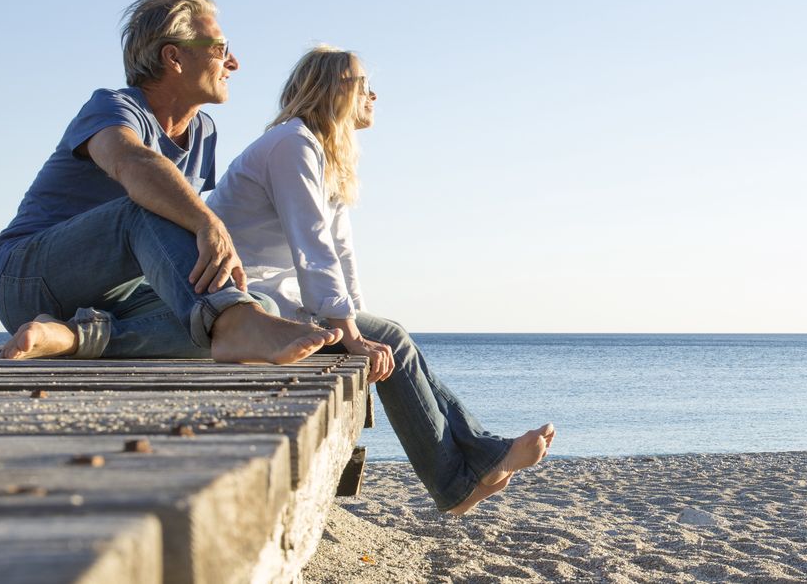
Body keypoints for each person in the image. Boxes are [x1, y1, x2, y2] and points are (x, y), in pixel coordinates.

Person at [206, 45, 554, 514]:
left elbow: (342, 254)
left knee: (387, 335)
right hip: (246, 302)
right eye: (362, 84)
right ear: (333, 90)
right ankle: (458, 482)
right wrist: (353, 334)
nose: (373, 94)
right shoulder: (293, 145)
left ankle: (480, 459)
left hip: (279, 297)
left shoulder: (322, 152)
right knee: (388, 336)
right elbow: (314, 247)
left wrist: (359, 328)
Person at [0, 0, 340, 363]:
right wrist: (208, 223)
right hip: (26, 280)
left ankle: (74, 337)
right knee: (150, 205)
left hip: (116, 295)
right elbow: (132, 165)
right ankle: (232, 324)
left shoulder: (203, 131)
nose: (233, 63)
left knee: (256, 304)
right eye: (220, 48)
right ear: (174, 57)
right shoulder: (111, 107)